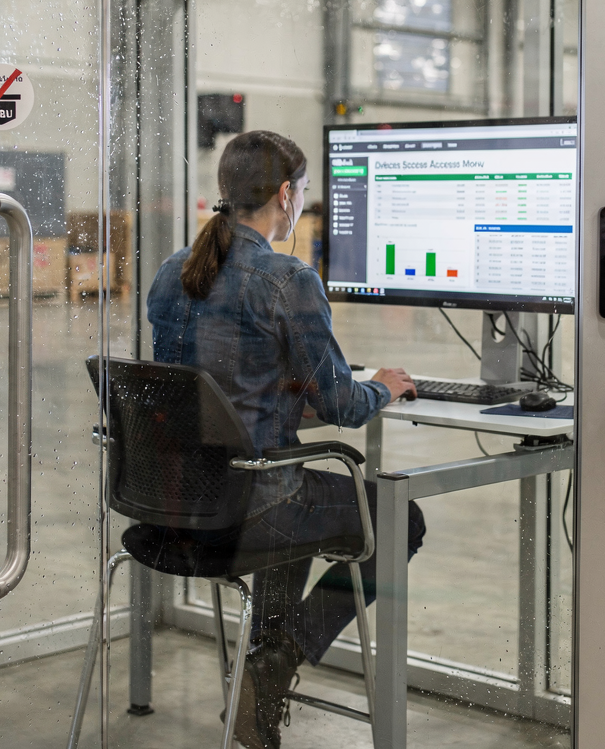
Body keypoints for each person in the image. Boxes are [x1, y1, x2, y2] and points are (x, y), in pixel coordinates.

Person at [147, 130, 425, 749]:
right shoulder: (286, 279)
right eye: (302, 189)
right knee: (397, 520)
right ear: (285, 195)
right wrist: (383, 386)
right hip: (251, 510)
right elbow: (342, 405)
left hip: (174, 507)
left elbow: (203, 385)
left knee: (290, 489)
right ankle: (277, 657)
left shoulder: (172, 272)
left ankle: (264, 676)